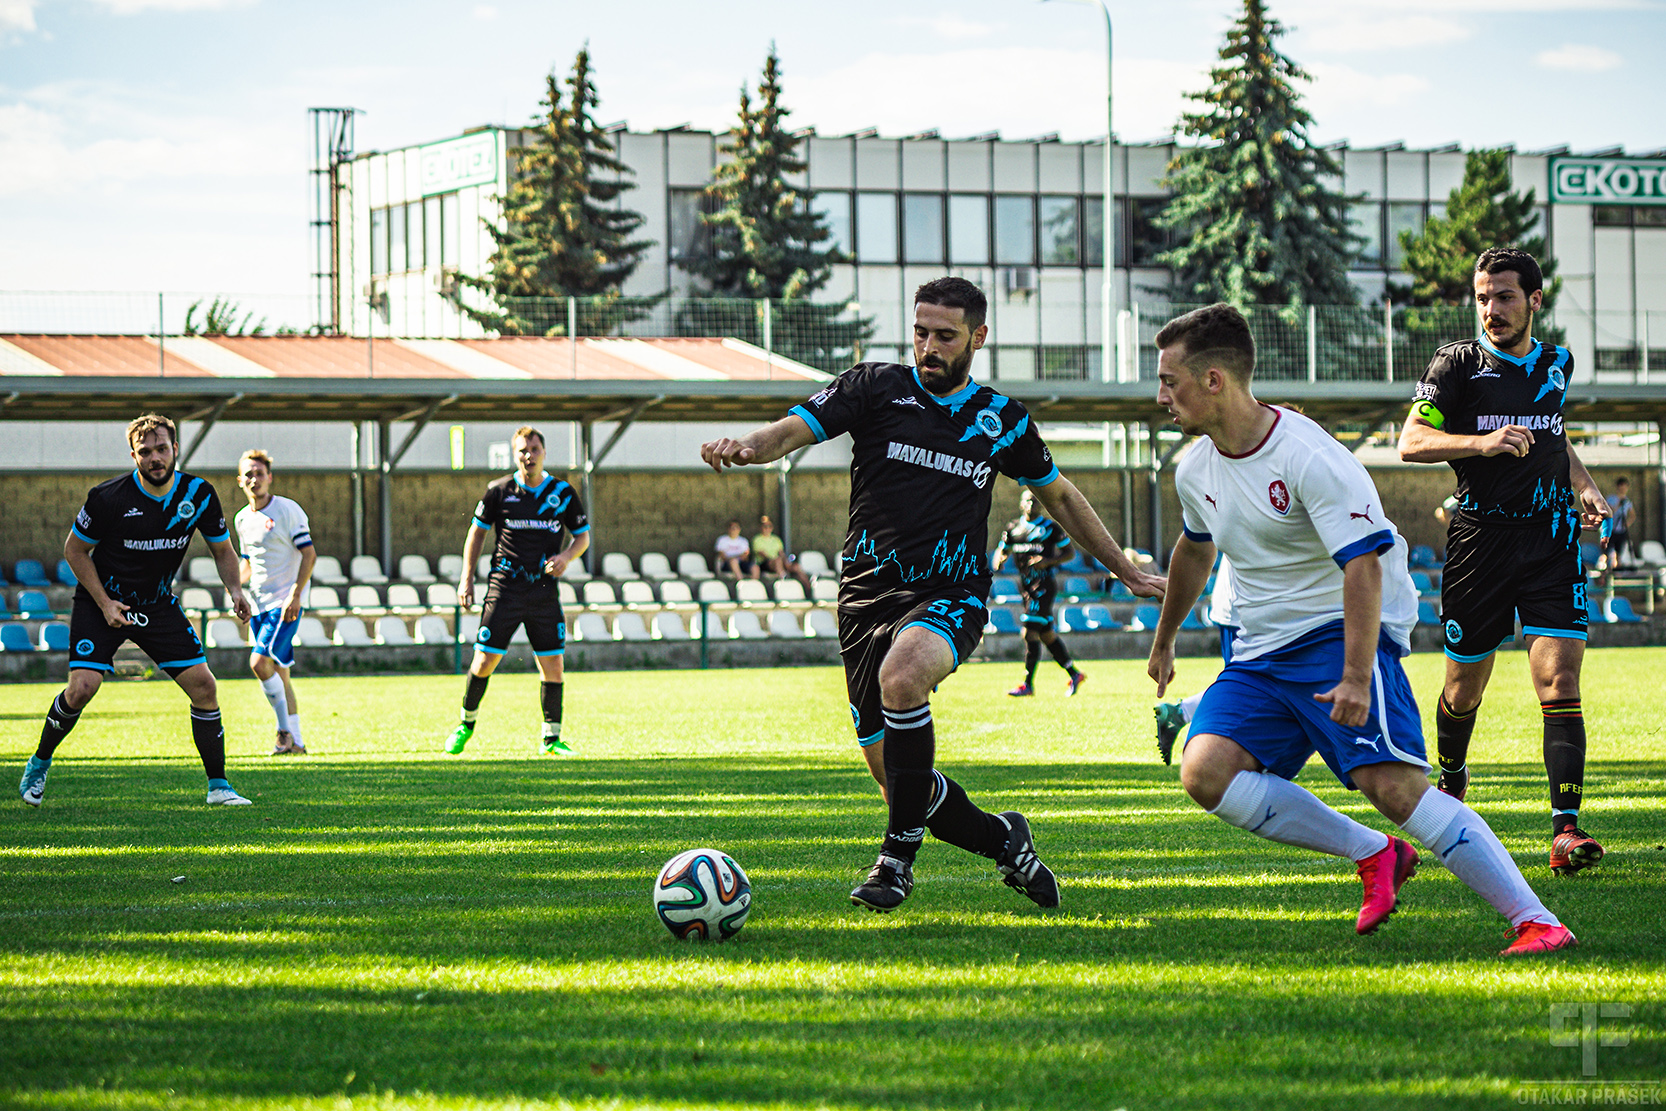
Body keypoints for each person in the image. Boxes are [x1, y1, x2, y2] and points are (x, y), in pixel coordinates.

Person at [701, 276, 1165, 914]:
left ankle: (895, 864)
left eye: (945, 336)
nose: (928, 347)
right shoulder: (873, 387)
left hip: (952, 593)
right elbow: (789, 431)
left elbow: (1059, 496)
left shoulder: (1001, 419)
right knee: (897, 781)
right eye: (920, 332)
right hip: (864, 599)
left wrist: (1125, 570)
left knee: (904, 675)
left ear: (978, 337)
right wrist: (749, 446)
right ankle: (1007, 841)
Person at [1149, 303, 1574, 956]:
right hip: (1261, 652)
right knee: (1205, 771)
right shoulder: (1194, 468)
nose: (1161, 397)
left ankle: (1538, 921)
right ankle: (1376, 853)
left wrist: (1354, 675)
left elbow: (1364, 566)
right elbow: (1194, 549)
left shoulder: (1308, 454)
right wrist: (1164, 639)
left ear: (1213, 380)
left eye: (1169, 381)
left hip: (1338, 633)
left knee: (1395, 789)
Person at [1398, 247, 1609, 875]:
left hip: (1550, 541)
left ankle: (1565, 831)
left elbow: (1552, 434)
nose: (1491, 309)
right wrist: (1482, 443)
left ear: (1535, 301)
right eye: (1483, 298)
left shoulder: (1557, 363)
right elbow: (1411, 441)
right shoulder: (1455, 365)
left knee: (1560, 683)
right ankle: (1452, 780)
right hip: (1479, 545)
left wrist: (1584, 485)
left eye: (1505, 297)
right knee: (1462, 690)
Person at [19, 413, 255, 808]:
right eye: (145, 452)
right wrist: (105, 603)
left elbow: (222, 550)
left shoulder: (198, 494)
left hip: (157, 604)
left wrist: (235, 590)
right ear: (134, 456)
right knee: (82, 689)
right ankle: (39, 763)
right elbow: (74, 551)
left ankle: (219, 787)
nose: (155, 458)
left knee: (204, 686)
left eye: (162, 449)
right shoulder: (108, 497)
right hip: (102, 601)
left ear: (175, 449)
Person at [446, 426, 590, 756]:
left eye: (534, 449)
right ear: (515, 455)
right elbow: (476, 533)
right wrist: (466, 577)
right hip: (505, 588)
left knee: (553, 665)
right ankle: (465, 724)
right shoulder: (498, 491)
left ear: (544, 453)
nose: (529, 456)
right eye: (523, 450)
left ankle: (551, 740)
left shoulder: (563, 493)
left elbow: (582, 536)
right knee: (484, 660)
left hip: (543, 590)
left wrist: (566, 557)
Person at [234, 449, 315, 756]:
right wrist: (234, 589)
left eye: (259, 473)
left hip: (283, 604)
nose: (254, 479)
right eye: (248, 474)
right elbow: (247, 562)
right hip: (258, 605)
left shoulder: (287, 510)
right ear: (240, 481)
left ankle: (283, 734)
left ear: (270, 477)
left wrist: (296, 594)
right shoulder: (242, 519)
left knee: (258, 662)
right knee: (279, 673)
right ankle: (297, 743)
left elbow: (309, 554)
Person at [993, 488, 1086, 697]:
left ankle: (1027, 684)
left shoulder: (1050, 528)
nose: (1031, 504)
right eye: (1027, 500)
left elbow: (1069, 553)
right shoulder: (1013, 529)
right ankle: (1074, 673)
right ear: (1020, 504)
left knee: (1029, 632)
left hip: (1043, 586)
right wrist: (999, 559)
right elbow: (1001, 552)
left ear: (1041, 505)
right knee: (1046, 634)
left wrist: (1048, 561)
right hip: (1026, 587)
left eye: (1035, 501)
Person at [1153, 556, 1236, 764]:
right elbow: (1195, 551)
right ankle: (1197, 752)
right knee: (1251, 685)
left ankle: (1181, 714)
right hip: (1247, 607)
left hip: (1260, 606)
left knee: (1254, 684)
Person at [752, 515, 811, 590]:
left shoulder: (776, 539)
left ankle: (808, 587)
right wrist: (774, 559)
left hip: (778, 561)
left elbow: (781, 552)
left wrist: (786, 562)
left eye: (769, 526)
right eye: (765, 526)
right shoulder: (757, 539)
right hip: (765, 563)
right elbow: (761, 554)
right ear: (761, 527)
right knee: (778, 561)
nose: (767, 528)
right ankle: (783, 582)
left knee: (796, 566)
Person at [1605, 476, 1636, 571]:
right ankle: (1607, 569)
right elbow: (1609, 511)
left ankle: (1618, 569)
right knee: (1608, 551)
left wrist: (1627, 524)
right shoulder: (1611, 498)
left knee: (1619, 551)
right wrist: (1618, 505)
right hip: (1611, 529)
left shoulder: (1627, 501)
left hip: (1621, 530)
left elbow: (1632, 515)